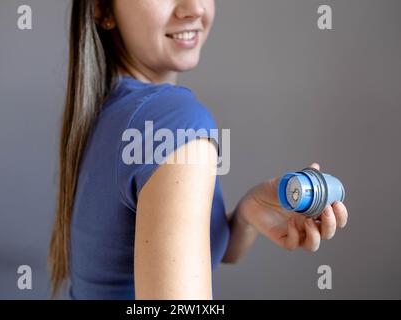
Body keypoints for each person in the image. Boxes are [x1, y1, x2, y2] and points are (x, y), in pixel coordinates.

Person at [48, 0, 349, 300]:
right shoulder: (174, 120)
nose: (194, 8)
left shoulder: (108, 111)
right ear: (102, 9)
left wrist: (245, 216)